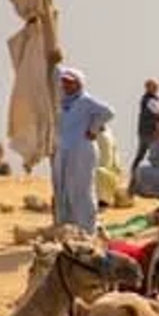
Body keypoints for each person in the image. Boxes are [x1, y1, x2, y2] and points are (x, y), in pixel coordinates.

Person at [53, 67, 114, 233]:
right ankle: (68, 228)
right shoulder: (63, 102)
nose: (65, 85)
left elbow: (108, 112)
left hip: (82, 151)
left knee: (82, 190)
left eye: (70, 82)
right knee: (64, 189)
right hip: (64, 151)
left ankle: (88, 229)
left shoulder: (85, 101)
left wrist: (93, 129)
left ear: (78, 84)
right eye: (64, 81)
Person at [129, 79, 159, 181]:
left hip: (143, 130)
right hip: (150, 131)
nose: (157, 89)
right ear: (148, 88)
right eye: (154, 87)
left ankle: (134, 174)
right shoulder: (150, 100)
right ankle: (146, 177)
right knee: (154, 155)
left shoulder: (147, 99)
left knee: (141, 154)